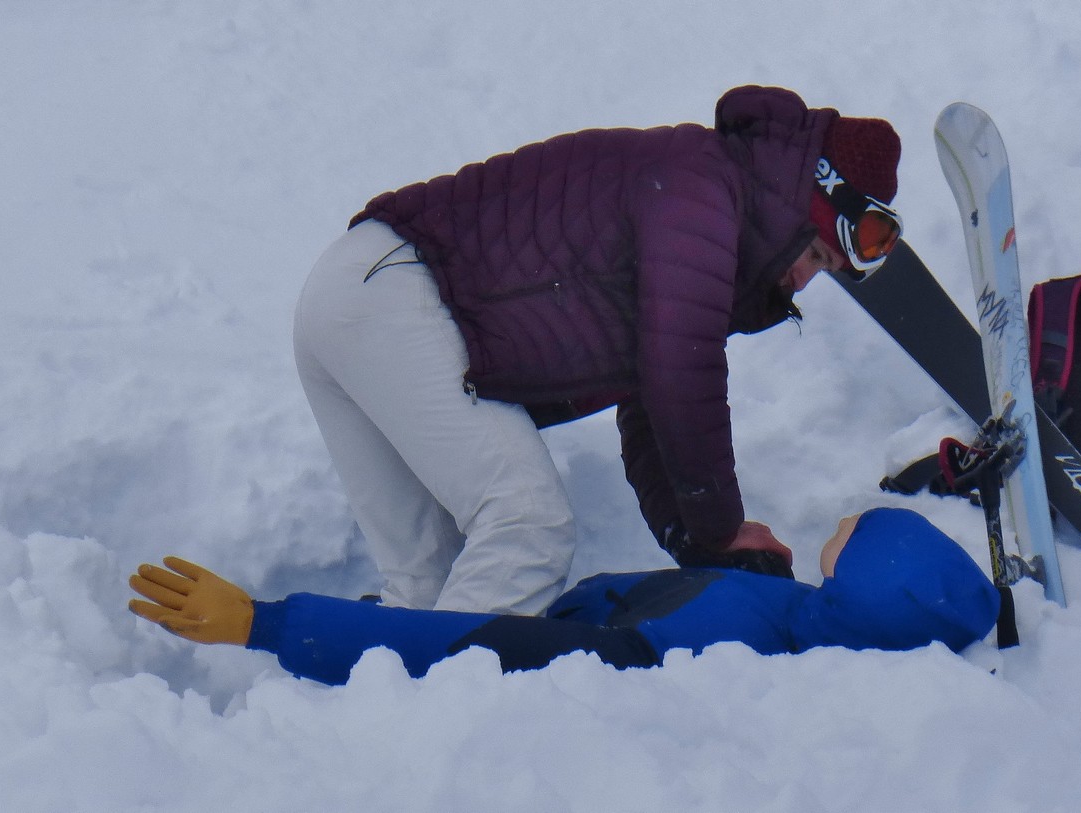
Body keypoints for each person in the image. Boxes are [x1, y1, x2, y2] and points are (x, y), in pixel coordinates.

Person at [294, 84, 904, 616]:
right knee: (527, 524)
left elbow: (653, 406)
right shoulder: (701, 188)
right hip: (396, 293)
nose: (804, 281)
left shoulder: (705, 208)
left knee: (426, 586)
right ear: (805, 199)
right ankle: (445, 707)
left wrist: (694, 537)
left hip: (353, 297)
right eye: (815, 255)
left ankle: (387, 698)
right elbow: (679, 376)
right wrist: (721, 530)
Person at [128, 508, 998, 688]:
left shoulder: (698, 646)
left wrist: (270, 623)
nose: (833, 526)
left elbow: (485, 647)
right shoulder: (807, 621)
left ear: (858, 586)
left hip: (546, 641)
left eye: (849, 537)